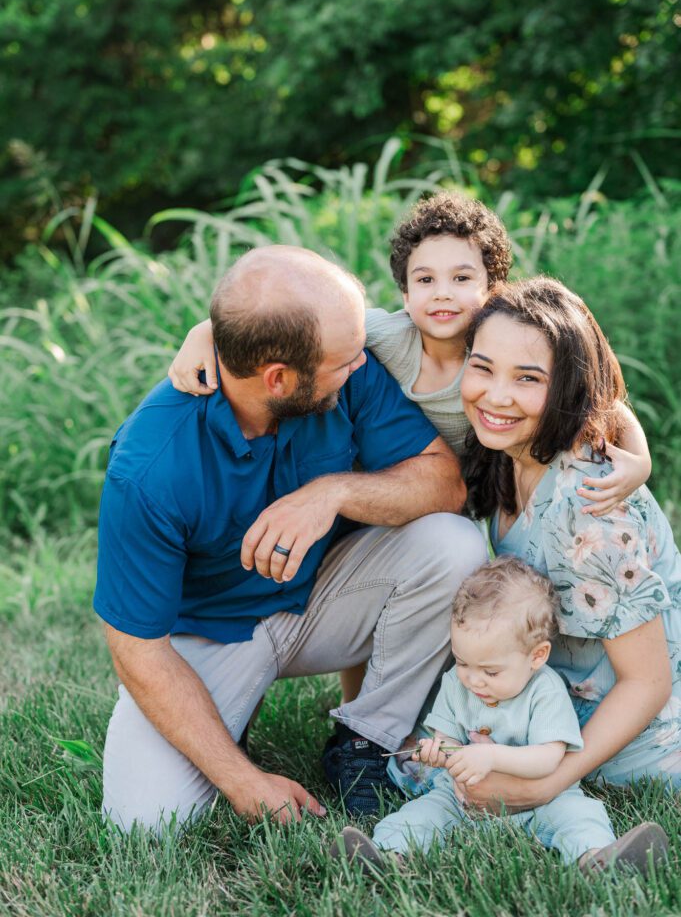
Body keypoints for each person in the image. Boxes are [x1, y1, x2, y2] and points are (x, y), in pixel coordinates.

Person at [168, 192, 653, 708]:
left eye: (462, 279)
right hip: (383, 489)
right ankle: (356, 717)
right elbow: (284, 328)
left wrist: (640, 459)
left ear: (493, 289)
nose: (443, 294)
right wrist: (207, 335)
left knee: (459, 590)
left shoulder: (500, 343)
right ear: (404, 292)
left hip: (467, 491)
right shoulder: (383, 335)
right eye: (425, 280)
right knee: (378, 606)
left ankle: (450, 694)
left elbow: (600, 399)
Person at [94, 244, 489, 833]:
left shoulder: (345, 371)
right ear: (278, 378)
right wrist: (242, 780)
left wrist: (330, 492)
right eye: (345, 360)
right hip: (210, 637)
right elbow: (137, 649)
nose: (360, 366)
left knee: (454, 544)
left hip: (325, 602)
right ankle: (229, 717)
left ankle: (365, 741)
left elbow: (443, 483)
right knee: (144, 821)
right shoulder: (149, 469)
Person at [449, 275, 681, 816]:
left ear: (567, 390)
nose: (496, 395)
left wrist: (548, 782)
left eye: (527, 379)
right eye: (482, 367)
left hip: (637, 737)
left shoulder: (586, 503)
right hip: (550, 700)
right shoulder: (507, 455)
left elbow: (647, 682)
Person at [332, 557, 668, 874]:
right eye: (462, 662)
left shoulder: (546, 690)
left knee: (579, 814)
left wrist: (490, 756)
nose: (473, 679)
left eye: (490, 671)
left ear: (536, 656)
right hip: (463, 798)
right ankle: (388, 855)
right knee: (421, 814)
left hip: (541, 798)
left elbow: (549, 758)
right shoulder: (456, 683)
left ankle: (596, 858)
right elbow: (447, 739)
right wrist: (440, 752)